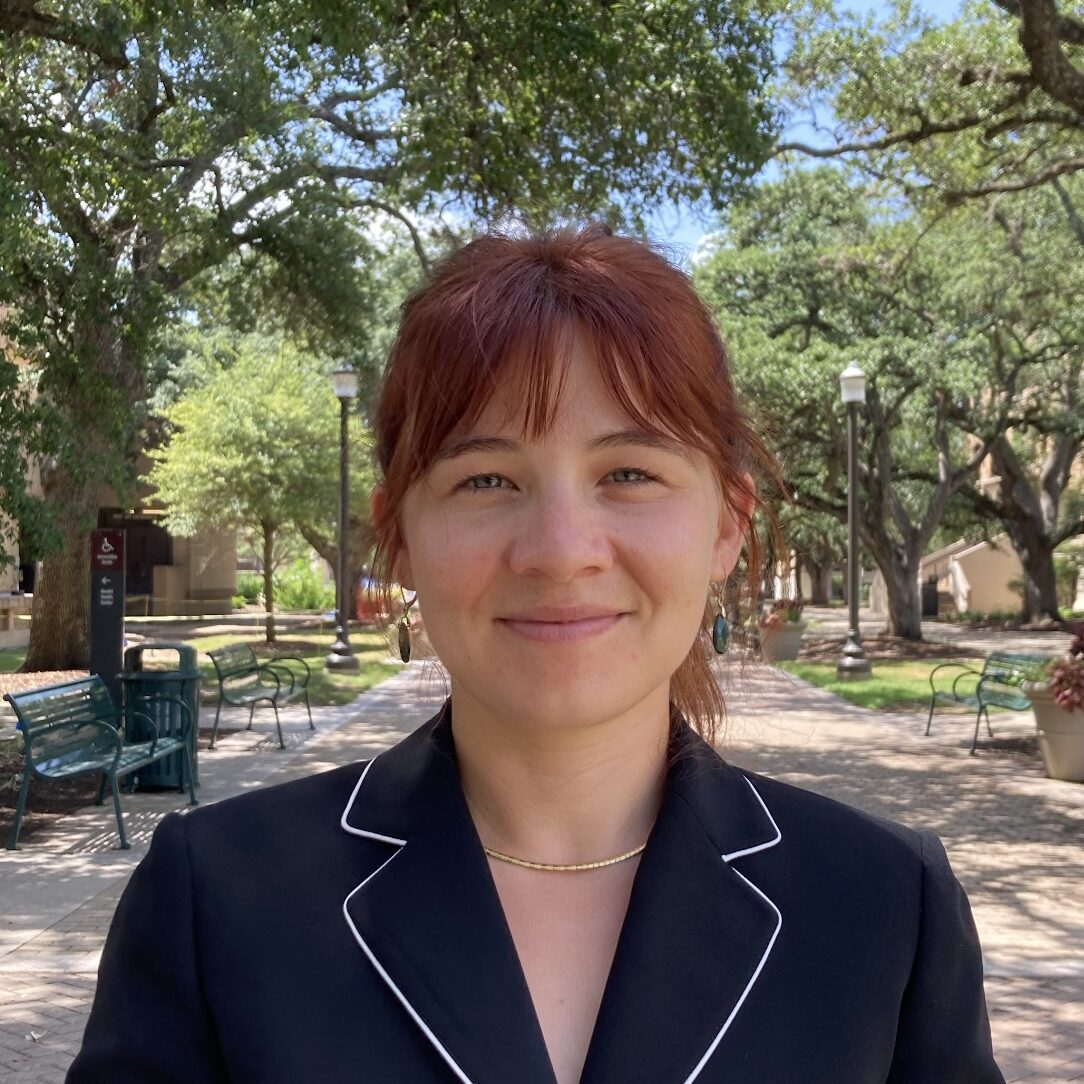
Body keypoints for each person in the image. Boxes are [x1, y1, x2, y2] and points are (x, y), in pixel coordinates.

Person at [68, 226, 1003, 1083]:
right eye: (485, 478)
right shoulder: (217, 897)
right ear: (398, 535)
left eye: (628, 473)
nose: (560, 548)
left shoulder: (884, 907)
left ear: (728, 523)